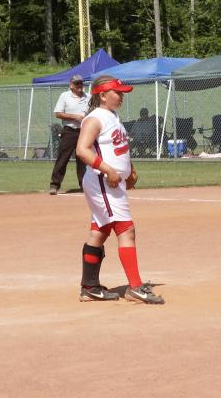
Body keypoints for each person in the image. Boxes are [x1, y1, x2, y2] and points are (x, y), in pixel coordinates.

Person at [75, 76, 164, 304]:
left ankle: (90, 288)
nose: (121, 96)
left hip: (112, 182)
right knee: (126, 229)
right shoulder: (94, 119)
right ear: (103, 95)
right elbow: (82, 150)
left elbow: (118, 148)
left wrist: (129, 170)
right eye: (117, 92)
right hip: (103, 181)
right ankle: (135, 287)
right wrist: (109, 171)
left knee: (101, 231)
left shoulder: (112, 116)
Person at [49, 74, 89, 195]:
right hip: (69, 131)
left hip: (84, 131)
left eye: (81, 83)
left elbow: (94, 111)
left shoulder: (88, 97)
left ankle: (84, 185)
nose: (79, 85)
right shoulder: (65, 96)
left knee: (83, 159)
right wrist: (75, 117)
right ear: (71, 85)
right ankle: (54, 185)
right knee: (63, 158)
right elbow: (58, 113)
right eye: (76, 83)